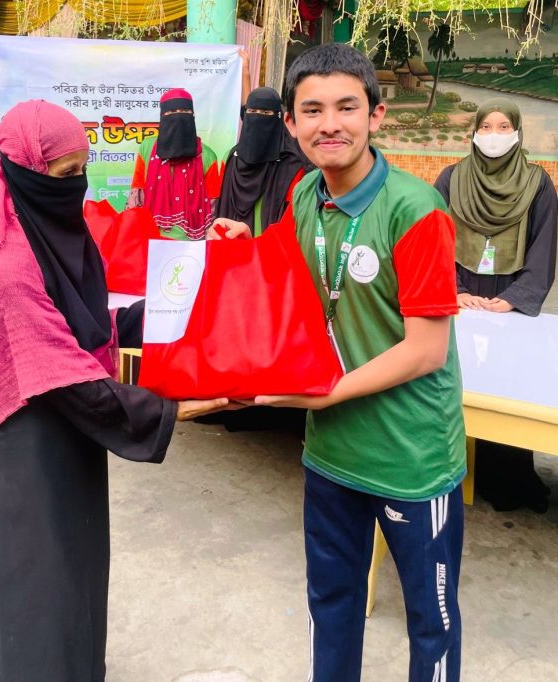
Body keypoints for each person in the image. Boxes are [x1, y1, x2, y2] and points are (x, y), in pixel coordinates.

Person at [210, 44, 466, 682]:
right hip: (330, 453)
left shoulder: (417, 211)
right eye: (312, 110)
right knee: (330, 604)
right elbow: (288, 259)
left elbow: (426, 349)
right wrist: (246, 243)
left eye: (347, 107)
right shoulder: (304, 193)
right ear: (290, 124)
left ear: (376, 115)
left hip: (411, 458)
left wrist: (325, 393)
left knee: (430, 623)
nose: (331, 124)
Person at [0, 99, 232, 682]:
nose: (78, 185)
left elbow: (85, 324)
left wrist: (161, 313)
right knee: (42, 587)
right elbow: (68, 380)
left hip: (74, 436)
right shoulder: (8, 268)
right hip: (33, 447)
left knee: (79, 570)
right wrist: (172, 410)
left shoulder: (57, 238)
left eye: (82, 170)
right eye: (64, 174)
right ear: (25, 173)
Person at [435, 99, 557, 513]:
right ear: (474, 132)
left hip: (509, 292)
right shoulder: (451, 179)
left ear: (517, 131)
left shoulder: (538, 184)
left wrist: (515, 299)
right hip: (460, 291)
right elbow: (433, 239)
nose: (494, 135)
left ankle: (506, 477)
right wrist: (451, 289)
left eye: (504, 126)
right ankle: (454, 466)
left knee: (507, 381)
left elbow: (544, 247)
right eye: (486, 126)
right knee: (457, 380)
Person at [126, 88, 220, 240]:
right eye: (172, 112)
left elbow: (213, 204)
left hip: (192, 242)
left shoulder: (207, 155)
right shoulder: (147, 148)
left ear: (193, 115)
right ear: (162, 116)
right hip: (152, 236)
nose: (178, 116)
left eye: (184, 111)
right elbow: (137, 193)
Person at [216, 86, 311, 237]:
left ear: (279, 117)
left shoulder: (292, 164)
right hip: (233, 240)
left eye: (265, 113)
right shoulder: (232, 157)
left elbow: (293, 217)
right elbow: (222, 203)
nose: (257, 117)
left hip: (269, 245)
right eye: (252, 111)